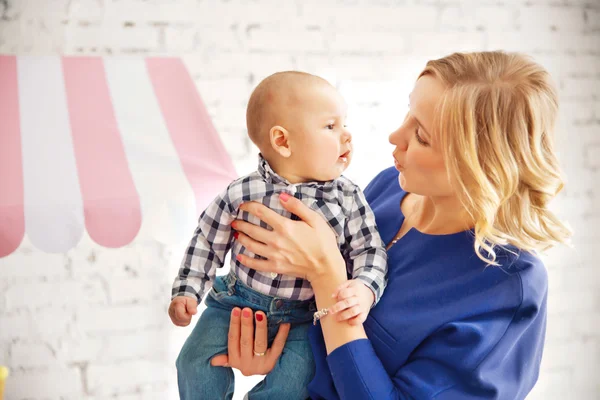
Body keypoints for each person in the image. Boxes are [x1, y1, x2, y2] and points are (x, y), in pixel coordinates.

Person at [210, 51, 572, 399]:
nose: (395, 137)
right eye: (408, 114)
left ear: (479, 166)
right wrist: (274, 348)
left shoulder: (508, 285)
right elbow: (313, 331)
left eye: (422, 137)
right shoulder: (387, 188)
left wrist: (328, 275)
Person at [170, 71, 388, 399]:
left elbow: (370, 250)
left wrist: (365, 288)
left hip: (302, 318)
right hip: (235, 302)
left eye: (344, 124)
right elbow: (207, 239)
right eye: (331, 126)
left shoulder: (347, 197)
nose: (347, 136)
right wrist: (187, 290)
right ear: (283, 141)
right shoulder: (243, 191)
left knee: (294, 385)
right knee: (192, 361)